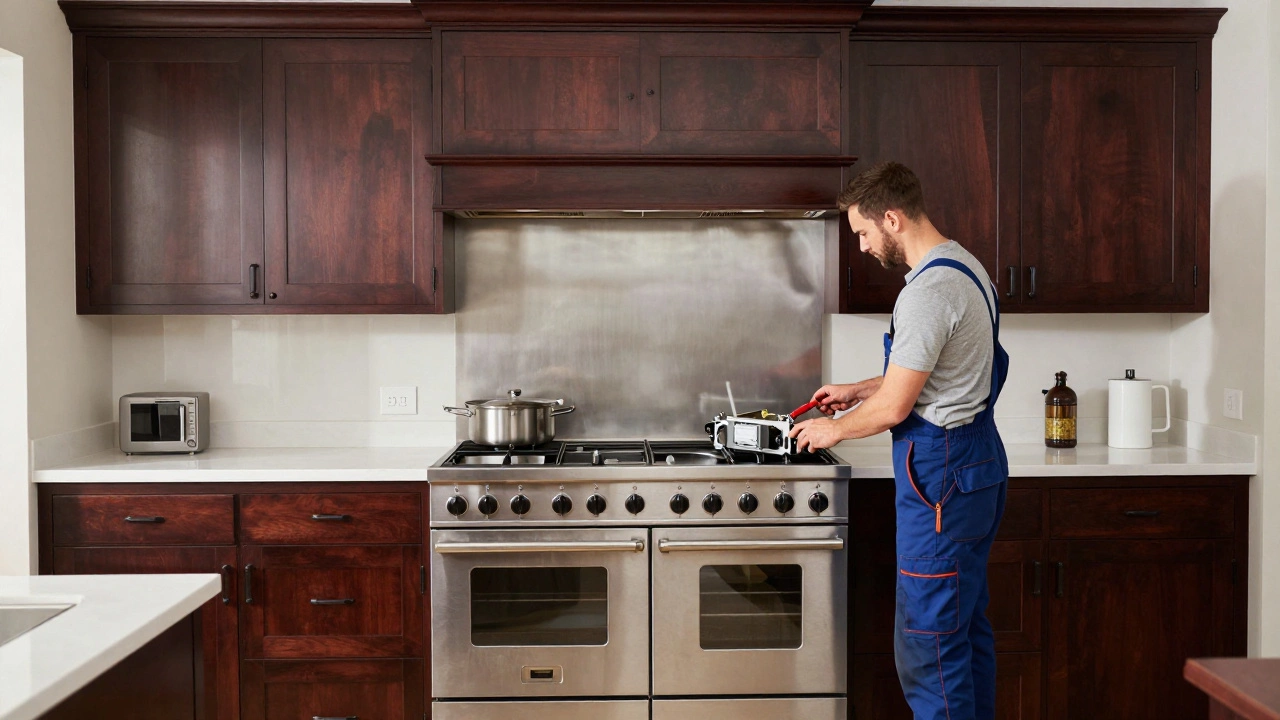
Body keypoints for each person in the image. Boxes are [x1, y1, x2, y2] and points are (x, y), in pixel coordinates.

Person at [790, 162, 1010, 720]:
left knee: (929, 644)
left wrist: (832, 429)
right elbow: (935, 372)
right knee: (964, 632)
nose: (861, 247)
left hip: (942, 478)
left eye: (863, 232)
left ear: (892, 218)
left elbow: (897, 407)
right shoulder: (966, 267)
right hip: (976, 465)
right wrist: (856, 390)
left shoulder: (928, 291)